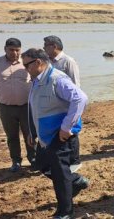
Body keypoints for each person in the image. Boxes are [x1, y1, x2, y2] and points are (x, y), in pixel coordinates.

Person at [22, 48, 89, 219]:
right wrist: (32, 131)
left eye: (26, 65)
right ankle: (74, 181)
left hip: (59, 136)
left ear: (38, 62)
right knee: (42, 165)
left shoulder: (56, 79)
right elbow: (35, 108)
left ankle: (65, 212)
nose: (25, 69)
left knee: (60, 177)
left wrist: (66, 127)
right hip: (45, 136)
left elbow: (80, 99)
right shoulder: (37, 80)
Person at [0, 38, 35, 172]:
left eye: (17, 50)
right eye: (11, 50)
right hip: (6, 108)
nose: (14, 53)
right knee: (12, 136)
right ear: (5, 49)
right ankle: (16, 161)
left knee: (30, 134)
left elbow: (34, 79)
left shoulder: (27, 62)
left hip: (26, 106)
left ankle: (33, 158)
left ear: (20, 50)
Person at [44, 35, 82, 172]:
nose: (43, 48)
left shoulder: (68, 61)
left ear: (54, 46)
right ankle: (59, 160)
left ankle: (74, 160)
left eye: (45, 46)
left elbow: (76, 86)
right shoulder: (47, 62)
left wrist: (74, 106)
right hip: (53, 105)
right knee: (56, 131)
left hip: (67, 105)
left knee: (71, 132)